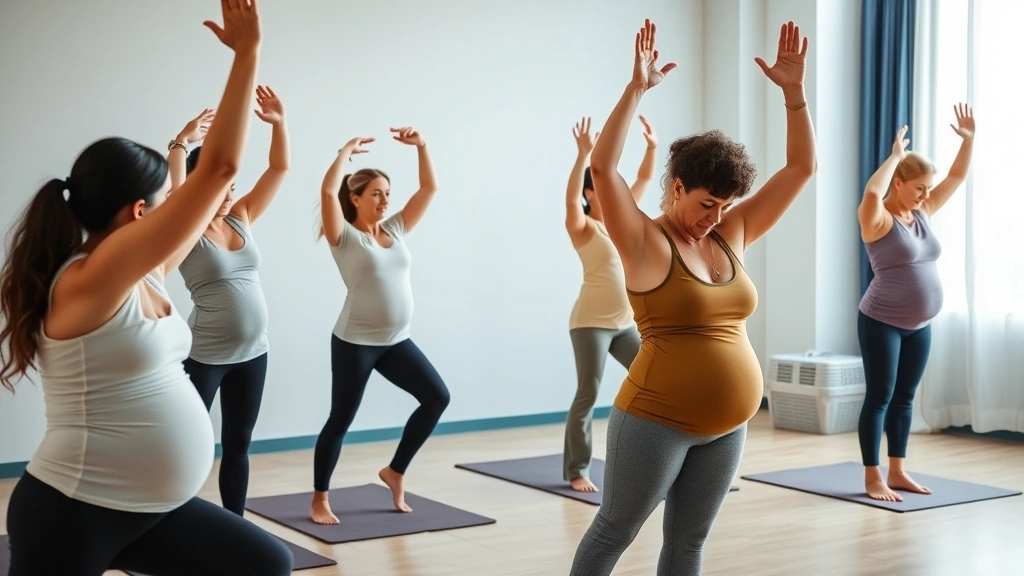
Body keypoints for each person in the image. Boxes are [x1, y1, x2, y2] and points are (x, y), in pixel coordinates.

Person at [0, 1, 292, 574]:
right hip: (75, 508)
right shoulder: (92, 276)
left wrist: (178, 151)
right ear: (139, 212)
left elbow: (207, 183)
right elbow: (221, 172)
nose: (176, 210)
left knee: (265, 564)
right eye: (165, 202)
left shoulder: (143, 275)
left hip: (153, 507)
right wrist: (247, 55)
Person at [569, 19, 816, 576]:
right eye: (708, 203)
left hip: (727, 425)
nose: (718, 217)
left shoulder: (731, 233)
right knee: (615, 530)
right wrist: (635, 89)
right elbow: (604, 168)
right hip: (655, 419)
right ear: (677, 186)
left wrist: (795, 95)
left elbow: (801, 168)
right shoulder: (643, 241)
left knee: (689, 543)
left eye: (727, 205)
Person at [310, 128, 451, 525]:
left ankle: (395, 471)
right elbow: (326, 194)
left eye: (387, 192)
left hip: (395, 341)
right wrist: (345, 151)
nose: (385, 199)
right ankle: (320, 497)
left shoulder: (395, 230)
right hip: (355, 342)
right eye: (376, 193)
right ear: (354, 199)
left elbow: (429, 187)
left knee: (436, 397)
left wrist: (423, 146)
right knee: (341, 419)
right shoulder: (344, 236)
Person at [163, 84, 291, 516]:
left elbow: (278, 169)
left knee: (238, 444)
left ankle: (234, 525)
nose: (230, 194)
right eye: (222, 186)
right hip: (205, 356)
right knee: (186, 446)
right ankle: (166, 520)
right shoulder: (186, 227)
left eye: (233, 186)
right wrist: (181, 144)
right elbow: (179, 190)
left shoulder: (242, 216)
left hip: (254, 352)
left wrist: (279, 124)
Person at [856, 106, 975, 503]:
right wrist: (893, 157)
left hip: (920, 325)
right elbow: (873, 192)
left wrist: (968, 141)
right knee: (880, 397)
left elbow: (957, 177)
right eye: (920, 187)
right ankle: (873, 477)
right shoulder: (877, 220)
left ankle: (898, 470)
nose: (927, 195)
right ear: (899, 182)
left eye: (928, 188)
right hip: (881, 321)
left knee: (905, 398)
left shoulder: (922, 212)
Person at [563, 114, 657, 493]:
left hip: (624, 323)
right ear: (590, 194)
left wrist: (651, 146)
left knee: (654, 380)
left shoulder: (620, 220)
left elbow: (646, 179)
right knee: (589, 391)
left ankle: (654, 456)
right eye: (600, 187)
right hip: (590, 323)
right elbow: (569, 199)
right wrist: (583, 156)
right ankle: (576, 469)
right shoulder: (584, 227)